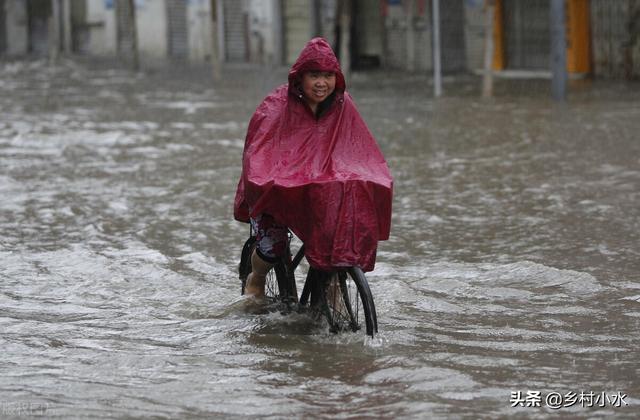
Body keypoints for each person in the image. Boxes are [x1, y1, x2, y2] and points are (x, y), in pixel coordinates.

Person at [234, 37, 393, 297]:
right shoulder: (276, 106)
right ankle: (257, 277)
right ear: (300, 77)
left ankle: (332, 293)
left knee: (339, 237)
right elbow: (258, 155)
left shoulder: (343, 105)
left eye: (328, 76)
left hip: (319, 191)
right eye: (314, 76)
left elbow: (359, 150)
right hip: (276, 193)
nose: (322, 83)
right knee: (272, 245)